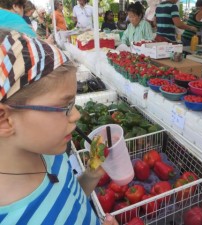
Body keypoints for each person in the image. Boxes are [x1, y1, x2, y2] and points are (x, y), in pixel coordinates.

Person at [0, 28, 119, 225]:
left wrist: (90, 176)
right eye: (65, 106)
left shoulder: (50, 154)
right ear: (4, 120)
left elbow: (71, 198)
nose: (76, 115)